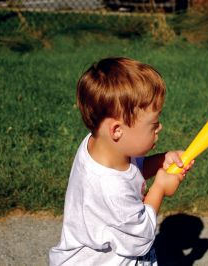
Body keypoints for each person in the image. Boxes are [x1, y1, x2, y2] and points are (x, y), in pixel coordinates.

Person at [49, 57, 194, 265]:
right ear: (117, 130)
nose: (159, 128)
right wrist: (160, 187)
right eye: (153, 124)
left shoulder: (102, 145)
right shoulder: (110, 188)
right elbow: (141, 237)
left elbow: (133, 172)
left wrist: (162, 160)